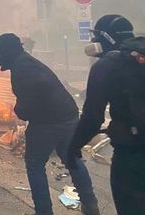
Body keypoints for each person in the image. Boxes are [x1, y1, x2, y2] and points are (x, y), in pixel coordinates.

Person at [0, 33, 99, 215]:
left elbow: (38, 89)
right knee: (73, 160)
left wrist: (22, 110)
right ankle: (90, 203)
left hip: (48, 123)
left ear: (7, 52)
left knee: (34, 165)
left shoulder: (23, 68)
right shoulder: (26, 62)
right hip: (68, 116)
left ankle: (44, 211)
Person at [68, 15, 144, 215]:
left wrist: (73, 147)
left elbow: (93, 117)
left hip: (132, 155)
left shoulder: (107, 66)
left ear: (106, 39)